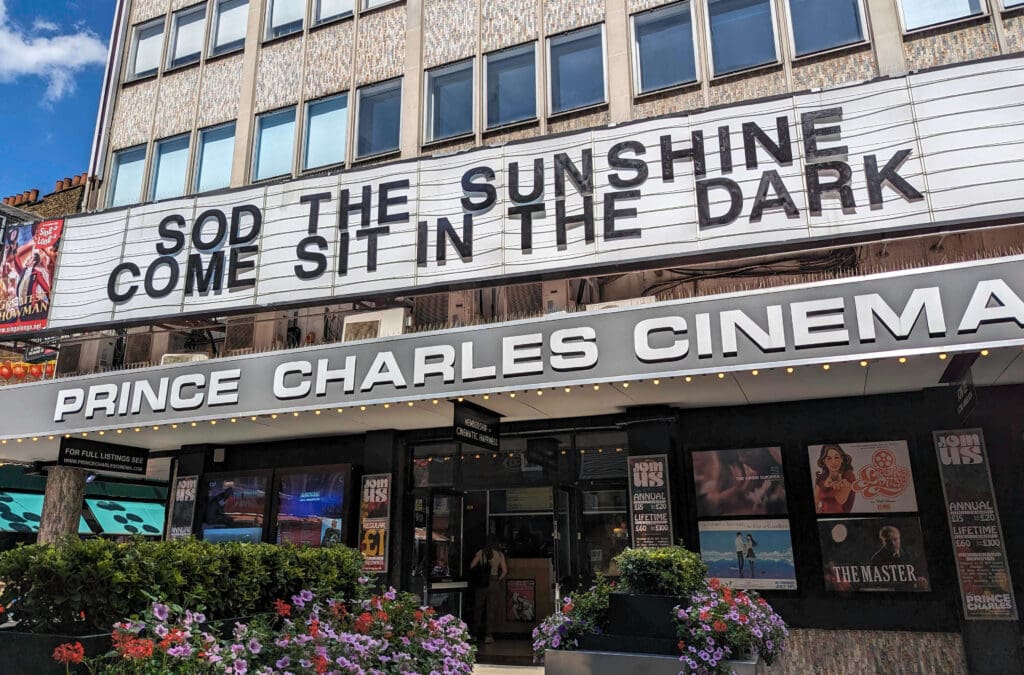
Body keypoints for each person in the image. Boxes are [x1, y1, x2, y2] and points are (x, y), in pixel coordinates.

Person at [469, 536, 507, 644]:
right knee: (491, 609)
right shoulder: (499, 554)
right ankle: (488, 635)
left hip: (481, 583)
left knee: (478, 608)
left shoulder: (481, 552)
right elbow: (504, 571)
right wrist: (497, 579)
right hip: (494, 582)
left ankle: (475, 634)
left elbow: (472, 566)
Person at [813, 444, 856, 513]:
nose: (834, 462)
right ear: (824, 461)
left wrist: (836, 484)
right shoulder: (822, 478)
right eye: (829, 458)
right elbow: (815, 501)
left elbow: (841, 500)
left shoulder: (848, 475)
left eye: (836, 457)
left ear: (842, 459)